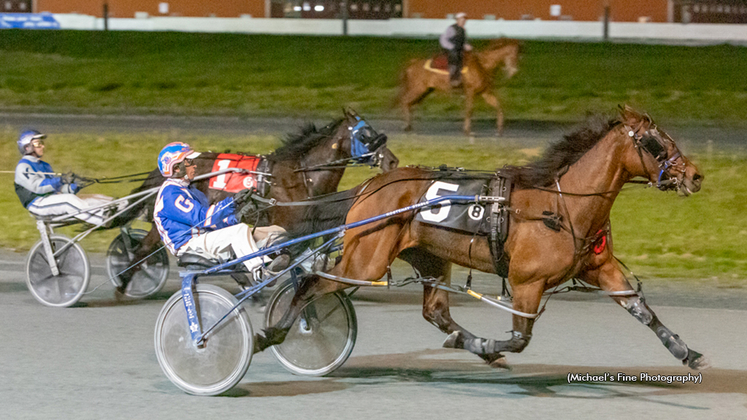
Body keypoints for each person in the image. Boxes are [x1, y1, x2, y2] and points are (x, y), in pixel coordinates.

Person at [153, 142, 289, 281]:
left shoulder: (193, 191)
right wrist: (232, 202)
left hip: (205, 237)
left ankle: (289, 263)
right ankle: (261, 272)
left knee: (276, 232)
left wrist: (236, 218)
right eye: (189, 162)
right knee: (239, 231)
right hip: (189, 245)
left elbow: (212, 223)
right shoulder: (171, 194)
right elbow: (203, 219)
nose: (195, 165)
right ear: (176, 168)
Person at [14, 129, 113, 226]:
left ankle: (119, 207)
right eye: (38, 144)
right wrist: (61, 180)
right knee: (68, 201)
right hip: (37, 203)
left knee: (91, 198)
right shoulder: (23, 167)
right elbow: (38, 187)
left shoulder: (45, 165)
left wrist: (75, 186)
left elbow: (57, 190)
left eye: (41, 143)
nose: (42, 146)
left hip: (50, 198)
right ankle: (102, 219)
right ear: (27, 147)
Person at [439, 12, 473, 87]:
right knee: (455, 58)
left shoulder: (463, 30)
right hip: (452, 50)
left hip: (459, 49)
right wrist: (451, 47)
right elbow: (443, 39)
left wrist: (466, 46)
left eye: (464, 20)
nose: (463, 21)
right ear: (457, 20)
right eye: (462, 19)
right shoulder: (451, 28)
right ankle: (453, 79)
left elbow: (462, 41)